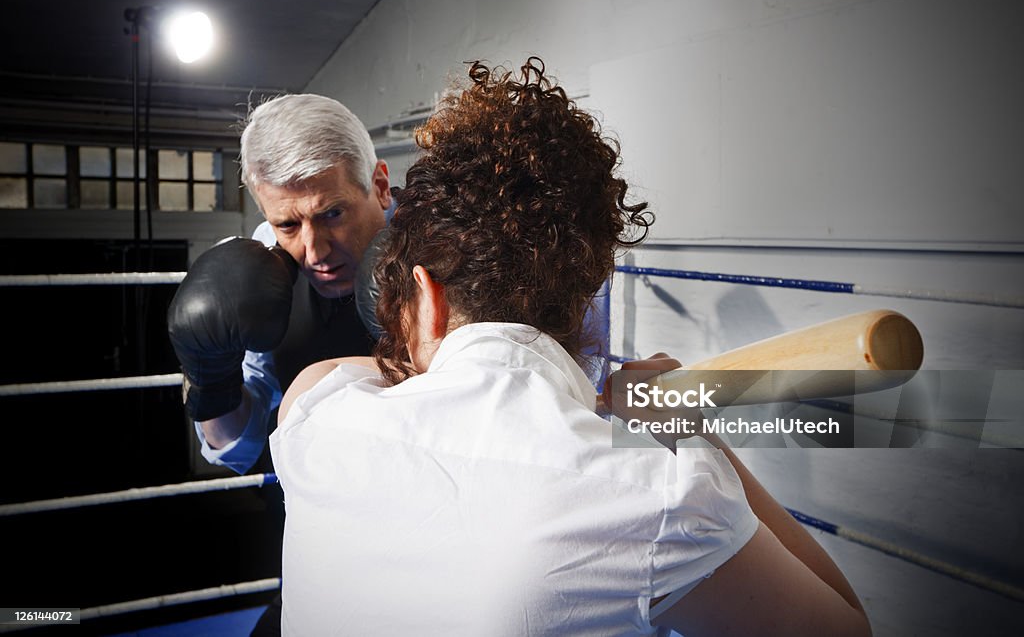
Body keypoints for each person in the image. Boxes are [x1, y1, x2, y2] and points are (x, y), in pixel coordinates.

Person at [270, 59, 871, 636]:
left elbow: (390, 373)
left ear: (425, 297)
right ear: (585, 299)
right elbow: (849, 627)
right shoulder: (663, 499)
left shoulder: (314, 408)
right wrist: (682, 430)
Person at [166, 93, 392, 636]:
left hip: (432, 518)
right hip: (316, 523)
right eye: (288, 224)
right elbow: (235, 450)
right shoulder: (264, 261)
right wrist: (209, 375)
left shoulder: (450, 249)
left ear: (379, 186)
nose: (314, 249)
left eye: (332, 213)